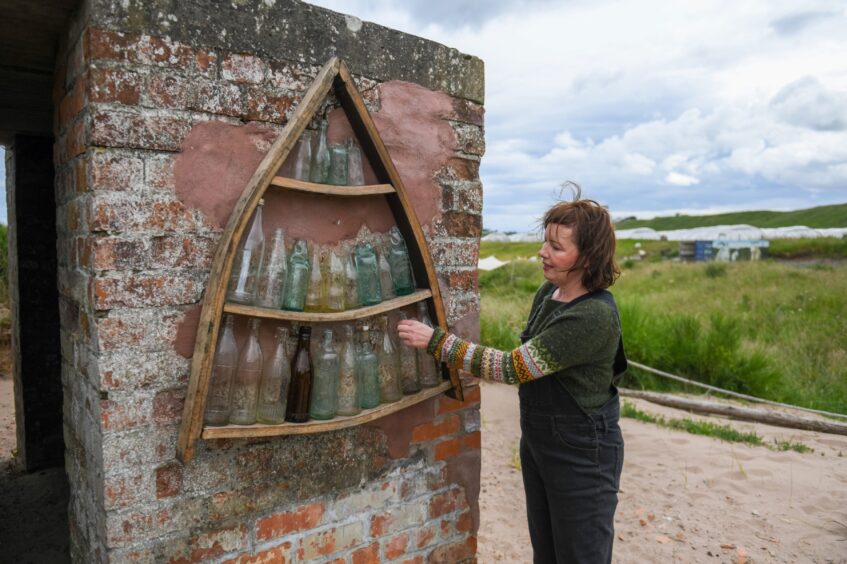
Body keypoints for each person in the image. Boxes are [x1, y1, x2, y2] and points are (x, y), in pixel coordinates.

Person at [398, 184, 627, 564]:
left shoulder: (593, 315)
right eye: (545, 242)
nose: (542, 252)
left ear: (587, 257)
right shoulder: (549, 293)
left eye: (556, 247)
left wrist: (437, 342)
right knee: (548, 550)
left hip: (584, 451)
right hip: (542, 443)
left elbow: (513, 367)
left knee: (580, 554)